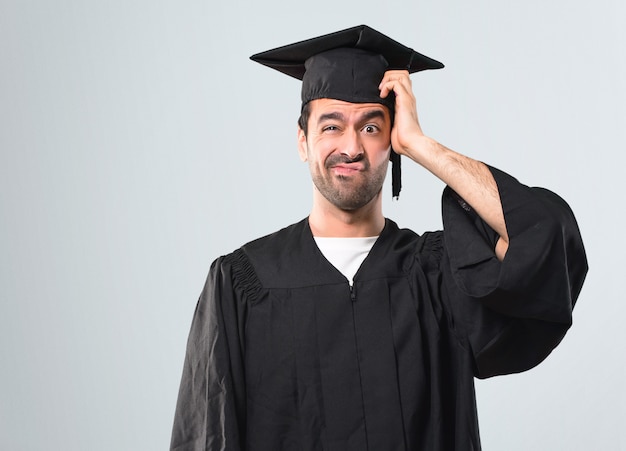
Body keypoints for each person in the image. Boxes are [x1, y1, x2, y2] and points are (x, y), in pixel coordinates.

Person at [170, 25, 588, 451]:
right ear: (303, 141)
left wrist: (422, 145)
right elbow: (207, 437)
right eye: (331, 127)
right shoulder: (243, 284)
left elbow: (543, 238)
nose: (351, 146)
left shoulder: (437, 277)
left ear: (392, 142)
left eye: (371, 128)